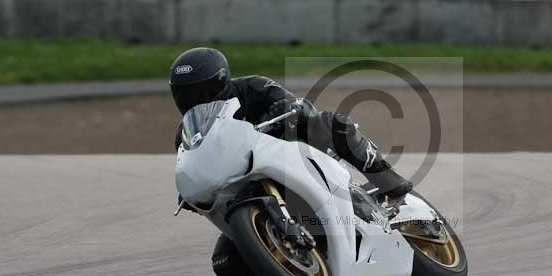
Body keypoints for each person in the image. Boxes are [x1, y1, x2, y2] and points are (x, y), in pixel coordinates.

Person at [169, 47, 413, 201]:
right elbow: (194, 167)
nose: (195, 101)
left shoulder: (253, 87)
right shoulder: (187, 133)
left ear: (220, 82)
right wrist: (191, 192)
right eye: (186, 96)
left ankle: (387, 180)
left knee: (332, 124)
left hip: (290, 149)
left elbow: (295, 104)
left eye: (202, 92)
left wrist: (284, 109)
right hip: (245, 184)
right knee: (226, 267)